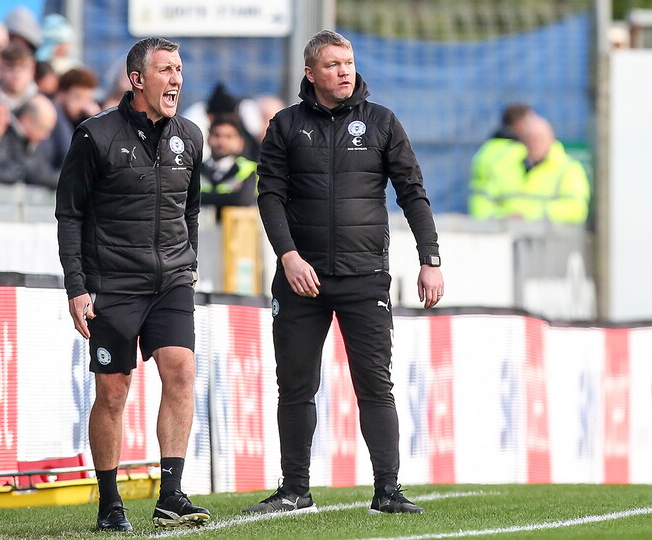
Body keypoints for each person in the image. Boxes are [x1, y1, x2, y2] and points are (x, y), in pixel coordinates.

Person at [247, 30, 443, 516]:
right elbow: (269, 196)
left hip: (364, 277)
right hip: (301, 280)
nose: (344, 70)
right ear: (311, 73)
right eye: (332, 64)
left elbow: (412, 192)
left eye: (348, 61)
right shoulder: (286, 125)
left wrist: (430, 257)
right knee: (294, 384)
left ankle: (388, 490)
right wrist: (288, 256)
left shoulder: (381, 122)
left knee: (375, 384)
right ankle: (295, 490)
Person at [55, 37, 210, 532]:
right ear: (137, 80)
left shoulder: (191, 136)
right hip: (113, 284)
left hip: (172, 280)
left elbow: (190, 209)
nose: (176, 79)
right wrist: (76, 287)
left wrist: (190, 262)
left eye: (180, 69)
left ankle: (172, 494)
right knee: (114, 393)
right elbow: (69, 214)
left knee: (181, 371)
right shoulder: (94, 136)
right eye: (165, 70)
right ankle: (108, 502)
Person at [487, 114, 591, 224]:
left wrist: (531, 216)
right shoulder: (505, 165)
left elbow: (576, 208)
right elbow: (487, 202)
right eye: (529, 138)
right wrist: (503, 218)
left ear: (551, 139)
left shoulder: (568, 168)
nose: (534, 143)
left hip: (552, 237)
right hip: (508, 234)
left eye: (539, 138)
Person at [469, 103, 535, 220]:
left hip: (486, 221)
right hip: (515, 222)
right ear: (519, 124)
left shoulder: (485, 151)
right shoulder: (521, 152)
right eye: (531, 122)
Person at [199, 114, 257, 220]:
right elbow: (184, 199)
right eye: (217, 135)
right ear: (208, 139)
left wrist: (201, 197)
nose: (222, 142)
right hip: (203, 234)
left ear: (240, 142)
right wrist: (228, 197)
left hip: (237, 235)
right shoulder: (195, 171)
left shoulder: (250, 170)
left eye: (229, 137)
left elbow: (242, 200)